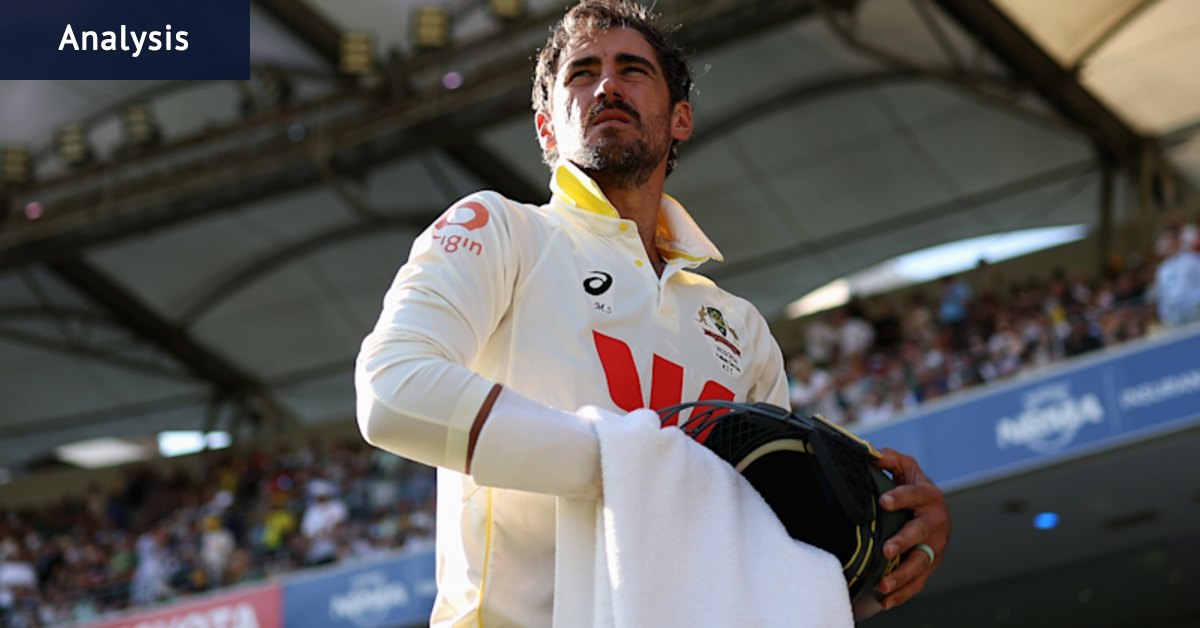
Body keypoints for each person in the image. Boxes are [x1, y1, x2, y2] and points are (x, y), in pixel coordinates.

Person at [354, 1, 951, 625]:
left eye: (632, 69)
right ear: (547, 128)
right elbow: (392, 390)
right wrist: (633, 467)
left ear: (681, 119)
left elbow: (772, 553)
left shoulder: (741, 327)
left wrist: (892, 542)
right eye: (581, 73)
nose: (606, 84)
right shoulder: (500, 228)